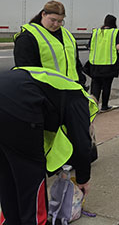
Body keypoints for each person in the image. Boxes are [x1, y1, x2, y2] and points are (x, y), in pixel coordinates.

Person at [0, 66, 98, 224]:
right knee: (31, 176)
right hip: (18, 107)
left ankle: (11, 220)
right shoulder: (79, 99)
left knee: (8, 172)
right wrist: (83, 179)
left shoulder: (59, 87)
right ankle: (35, 221)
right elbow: (81, 144)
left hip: (9, 95)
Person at [14, 0, 87, 87]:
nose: (56, 24)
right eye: (53, 20)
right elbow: (25, 72)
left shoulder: (67, 35)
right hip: (46, 92)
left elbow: (75, 63)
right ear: (43, 14)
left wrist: (81, 83)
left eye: (60, 21)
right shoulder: (28, 37)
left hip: (70, 90)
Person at [88, 14, 119, 112]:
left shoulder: (96, 32)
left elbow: (89, 46)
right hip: (109, 64)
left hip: (95, 63)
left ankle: (92, 108)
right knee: (106, 86)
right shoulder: (115, 32)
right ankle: (104, 106)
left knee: (95, 86)